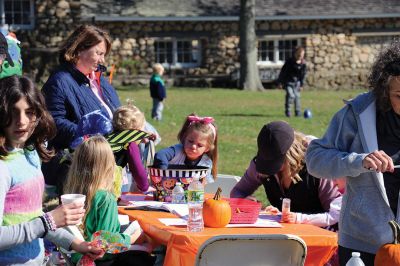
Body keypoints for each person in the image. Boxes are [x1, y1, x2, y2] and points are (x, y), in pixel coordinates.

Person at [305, 41, 400, 266]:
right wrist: (359, 161)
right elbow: (315, 160)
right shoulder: (357, 113)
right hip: (360, 242)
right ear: (384, 90)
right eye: (399, 95)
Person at [0, 75, 103, 265]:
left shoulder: (28, 154)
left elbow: (33, 218)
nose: (21, 121)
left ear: (39, 115)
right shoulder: (2, 166)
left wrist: (75, 243)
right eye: (13, 113)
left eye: (29, 112)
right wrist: (48, 221)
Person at [41, 25, 120, 194]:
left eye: (104, 54)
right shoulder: (59, 81)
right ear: (78, 50)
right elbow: (52, 123)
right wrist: (88, 136)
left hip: (107, 163)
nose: (102, 60)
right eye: (98, 53)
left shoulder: (100, 80)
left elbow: (115, 114)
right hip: (78, 168)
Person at [63, 135, 155, 265]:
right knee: (145, 255)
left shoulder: (74, 194)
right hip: (101, 260)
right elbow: (107, 242)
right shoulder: (106, 198)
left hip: (77, 256)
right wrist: (132, 238)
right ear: (109, 164)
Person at [230, 121, 341, 228]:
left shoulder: (317, 169)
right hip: (284, 237)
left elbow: (335, 217)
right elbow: (238, 192)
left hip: (320, 238)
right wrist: (247, 204)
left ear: (291, 155)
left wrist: (299, 219)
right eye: (266, 162)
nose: (272, 171)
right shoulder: (258, 165)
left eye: (275, 163)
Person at [153, 114, 218, 184]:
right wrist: (162, 172)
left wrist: (192, 181)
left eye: (199, 145)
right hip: (165, 192)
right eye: (190, 141)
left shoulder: (206, 162)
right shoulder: (177, 151)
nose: (193, 146)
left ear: (207, 148)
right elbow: (160, 154)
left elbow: (203, 184)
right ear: (184, 138)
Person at [112, 104, 154, 192]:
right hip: (111, 180)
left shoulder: (110, 137)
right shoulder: (130, 145)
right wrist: (144, 186)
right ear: (137, 130)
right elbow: (137, 169)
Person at [277, 46, 307, 117]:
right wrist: (280, 82)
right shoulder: (289, 62)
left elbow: (303, 75)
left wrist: (302, 85)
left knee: (297, 97)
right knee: (291, 95)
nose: (300, 56)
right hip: (288, 82)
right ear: (295, 54)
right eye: (299, 55)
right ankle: (288, 111)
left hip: (297, 84)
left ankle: (298, 112)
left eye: (302, 55)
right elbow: (283, 72)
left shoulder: (303, 64)